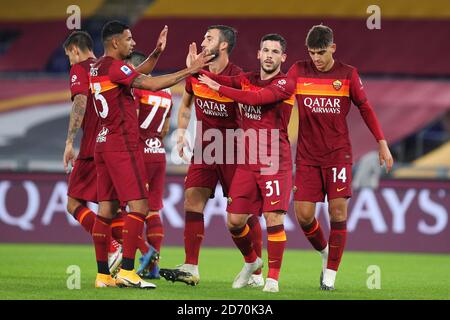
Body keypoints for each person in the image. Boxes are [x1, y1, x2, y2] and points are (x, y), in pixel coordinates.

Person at [89, 20, 213, 289]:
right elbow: (152, 85)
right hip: (122, 144)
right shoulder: (115, 67)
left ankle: (102, 275)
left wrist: (156, 54)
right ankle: (128, 271)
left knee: (106, 209)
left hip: (102, 143)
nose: (133, 43)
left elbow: (136, 74)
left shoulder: (98, 66)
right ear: (115, 42)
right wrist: (191, 70)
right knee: (141, 207)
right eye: (129, 39)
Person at [287, 24, 394, 290]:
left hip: (338, 155)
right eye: (312, 53)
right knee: (303, 216)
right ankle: (325, 252)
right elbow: (277, 95)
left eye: (321, 52)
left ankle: (330, 275)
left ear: (333, 48)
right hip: (307, 156)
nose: (316, 59)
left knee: (337, 212)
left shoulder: (347, 75)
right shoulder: (299, 71)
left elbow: (365, 108)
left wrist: (382, 143)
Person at [159, 25, 263, 287]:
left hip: (234, 151)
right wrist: (181, 132)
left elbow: (254, 113)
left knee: (244, 214)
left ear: (224, 45)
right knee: (192, 201)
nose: (203, 41)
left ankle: (256, 271)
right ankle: (191, 266)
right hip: (205, 149)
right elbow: (185, 104)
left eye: (209, 38)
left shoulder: (238, 77)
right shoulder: (196, 73)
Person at [197, 33, 295, 293]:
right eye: (266, 50)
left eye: (276, 51)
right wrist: (196, 69)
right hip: (247, 163)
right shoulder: (246, 79)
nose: (270, 55)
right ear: (259, 54)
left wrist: (219, 89)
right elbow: (224, 79)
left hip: (274, 161)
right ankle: (252, 262)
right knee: (234, 221)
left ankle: (272, 278)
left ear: (283, 58)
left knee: (273, 218)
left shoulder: (286, 83)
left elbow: (256, 99)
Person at [62, 30, 123, 275]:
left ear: (75, 50)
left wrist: (69, 142)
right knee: (113, 208)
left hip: (91, 148)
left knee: (73, 203)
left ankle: (112, 247)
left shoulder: (80, 69)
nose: (69, 61)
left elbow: (80, 102)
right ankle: (140, 256)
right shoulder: (109, 68)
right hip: (116, 146)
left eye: (68, 56)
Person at [125, 51, 173, 279]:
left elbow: (132, 121)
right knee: (153, 210)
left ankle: (146, 254)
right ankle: (154, 266)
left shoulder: (136, 87)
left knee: (124, 210)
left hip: (138, 153)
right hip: (158, 153)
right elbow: (165, 129)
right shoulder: (165, 91)